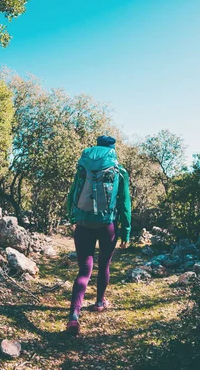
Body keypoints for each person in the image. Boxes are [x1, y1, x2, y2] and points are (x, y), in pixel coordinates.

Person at [65, 135, 131, 336]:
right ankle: (100, 302)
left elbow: (72, 194)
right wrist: (126, 232)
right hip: (107, 225)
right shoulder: (119, 171)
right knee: (104, 264)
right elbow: (125, 204)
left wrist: (72, 217)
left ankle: (74, 316)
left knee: (84, 269)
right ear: (113, 149)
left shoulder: (83, 168)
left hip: (83, 223)